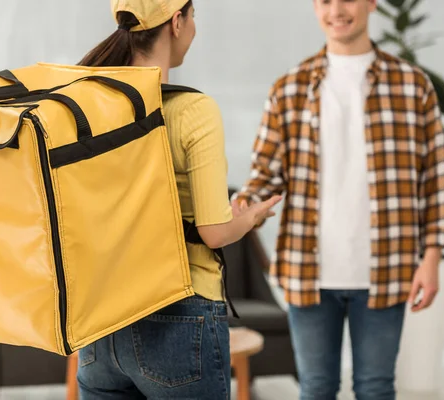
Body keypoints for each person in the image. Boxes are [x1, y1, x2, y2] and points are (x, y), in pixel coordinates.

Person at [233, 0, 444, 399]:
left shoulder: (411, 84)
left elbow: (434, 178)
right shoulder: (289, 88)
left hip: (386, 267)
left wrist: (433, 257)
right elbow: (265, 175)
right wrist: (244, 208)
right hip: (308, 269)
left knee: (376, 387)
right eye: (324, 1)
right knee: (316, 388)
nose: (336, 10)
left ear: (371, 3)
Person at [75, 1, 279, 398]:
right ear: (177, 22)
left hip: (100, 321)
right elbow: (214, 232)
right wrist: (250, 217)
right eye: (193, 17)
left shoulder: (89, 105)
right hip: (180, 314)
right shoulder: (193, 110)